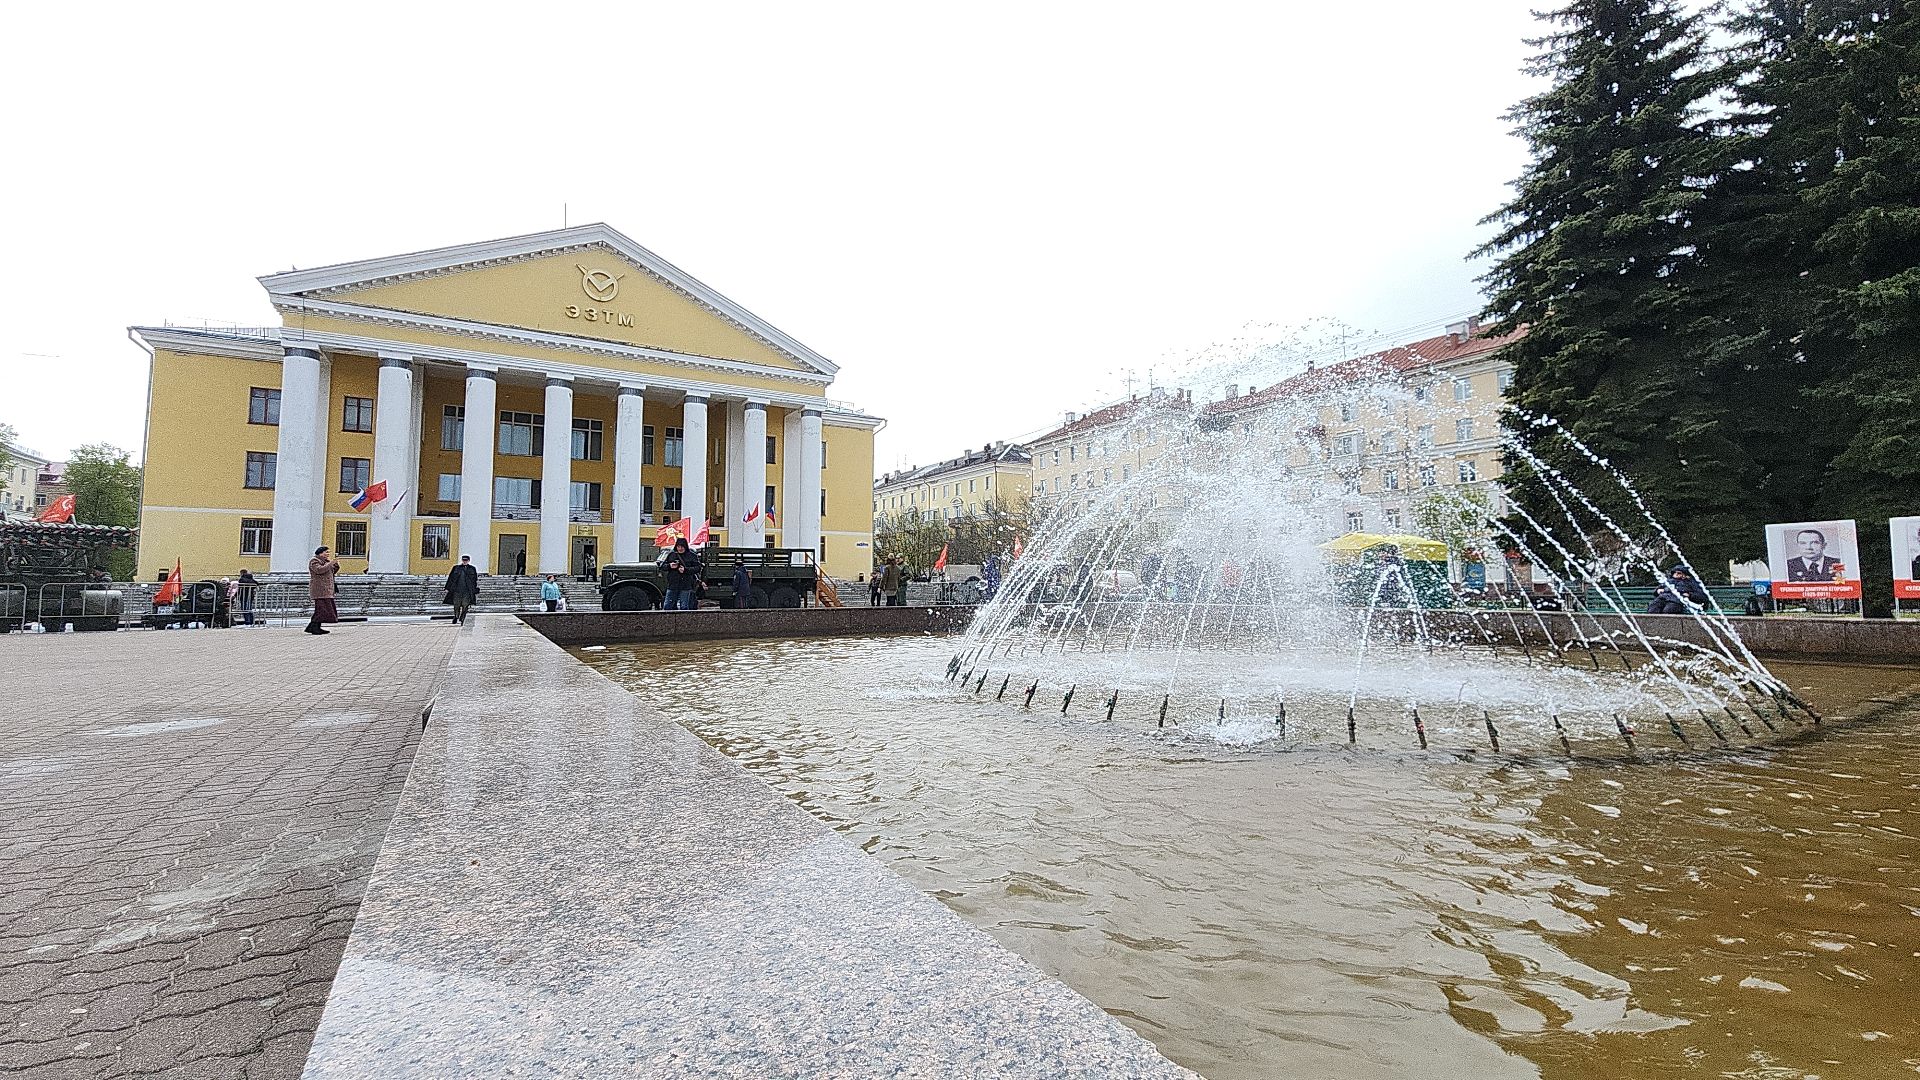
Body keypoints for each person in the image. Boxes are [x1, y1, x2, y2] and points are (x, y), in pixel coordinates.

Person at [306, 546, 339, 635]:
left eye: (328, 552)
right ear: (320, 553)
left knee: (323, 609)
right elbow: (319, 570)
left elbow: (331, 572)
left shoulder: (326, 562)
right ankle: (314, 627)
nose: (328, 554)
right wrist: (330, 563)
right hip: (319, 590)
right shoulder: (314, 561)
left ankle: (313, 626)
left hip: (327, 589)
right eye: (326, 552)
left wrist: (335, 565)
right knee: (322, 609)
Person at [663, 538, 702, 611]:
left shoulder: (692, 555)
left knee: (684, 606)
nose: (680, 549)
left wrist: (685, 570)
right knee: (667, 606)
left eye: (682, 547)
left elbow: (698, 568)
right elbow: (663, 566)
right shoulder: (672, 555)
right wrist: (670, 566)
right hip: (673, 584)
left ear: (685, 547)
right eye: (678, 547)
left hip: (685, 584)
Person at [444, 555, 479, 625]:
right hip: (457, 590)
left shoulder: (472, 569)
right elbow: (450, 578)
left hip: (467, 591)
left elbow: (474, 580)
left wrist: (474, 590)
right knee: (456, 605)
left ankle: (462, 617)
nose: (465, 561)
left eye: (466, 560)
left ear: (469, 561)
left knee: (465, 605)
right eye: (463, 560)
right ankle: (456, 616)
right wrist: (447, 587)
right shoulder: (456, 568)